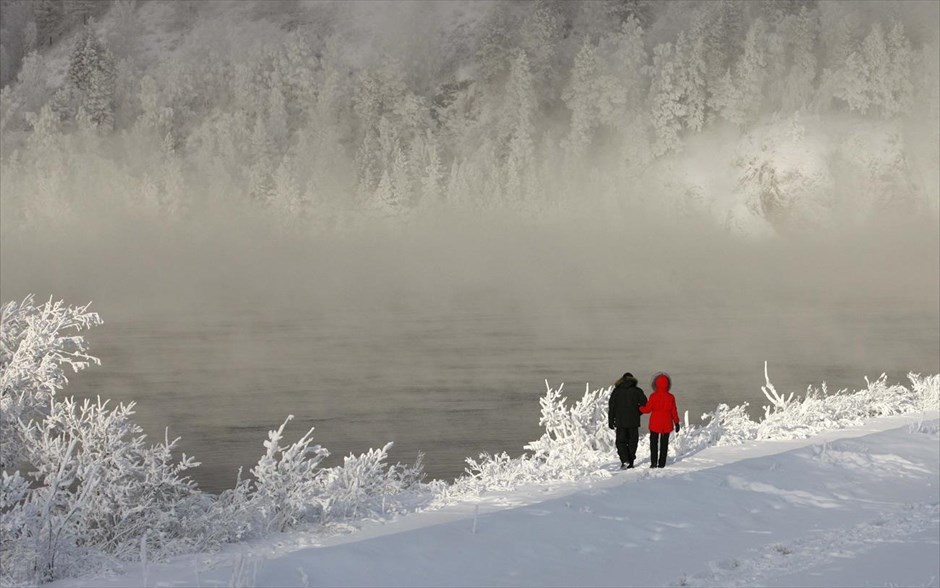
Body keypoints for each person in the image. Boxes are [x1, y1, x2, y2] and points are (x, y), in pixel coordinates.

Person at [640, 371, 680, 468]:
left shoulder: (653, 396)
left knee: (653, 443)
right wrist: (676, 422)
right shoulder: (671, 397)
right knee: (664, 444)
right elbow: (674, 410)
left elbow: (647, 410)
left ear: (655, 384)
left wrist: (639, 408)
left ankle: (653, 463)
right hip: (667, 423)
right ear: (668, 384)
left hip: (655, 423)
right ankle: (662, 463)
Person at [608, 372, 647, 469]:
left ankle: (625, 460)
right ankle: (631, 462)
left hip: (620, 421)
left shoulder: (616, 391)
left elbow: (612, 407)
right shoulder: (637, 391)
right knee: (633, 441)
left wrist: (611, 420)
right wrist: (637, 413)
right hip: (633, 421)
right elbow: (645, 405)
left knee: (620, 442)